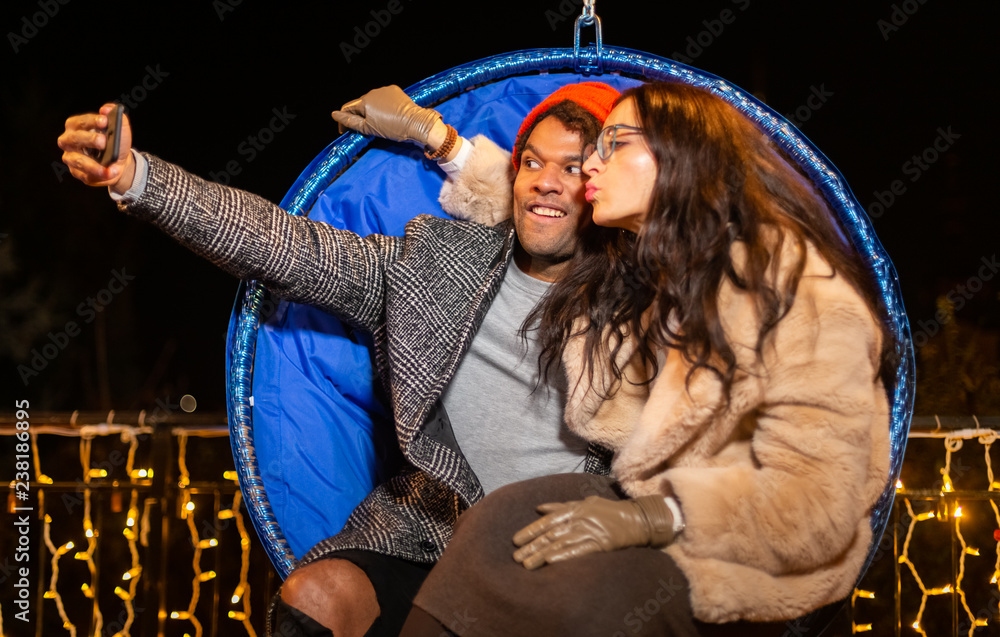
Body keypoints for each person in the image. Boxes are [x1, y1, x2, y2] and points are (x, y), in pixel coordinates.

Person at [57, 81, 623, 636]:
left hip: (579, 559)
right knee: (316, 598)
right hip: (434, 542)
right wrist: (138, 177)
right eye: (530, 162)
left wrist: (440, 138)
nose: (545, 183)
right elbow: (284, 246)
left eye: (572, 168)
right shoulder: (437, 264)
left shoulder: (648, 301)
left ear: (603, 184)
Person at [395, 81, 896, 636]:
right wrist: (439, 140)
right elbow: (531, 199)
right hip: (651, 502)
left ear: (682, 157)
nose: (589, 169)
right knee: (501, 523)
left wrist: (652, 518)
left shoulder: (796, 291)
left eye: (612, 145)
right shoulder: (656, 266)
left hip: (746, 550)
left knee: (592, 604)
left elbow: (818, 503)